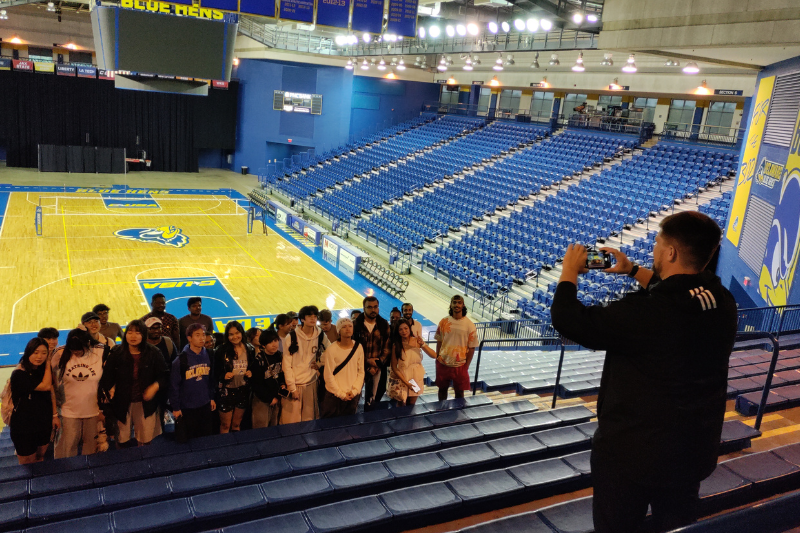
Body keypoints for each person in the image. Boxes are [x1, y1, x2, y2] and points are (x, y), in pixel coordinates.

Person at [550, 211, 737, 533]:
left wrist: (569, 271)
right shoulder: (721, 300)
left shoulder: (646, 314)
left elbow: (567, 319)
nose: (653, 250)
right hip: (691, 452)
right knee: (677, 525)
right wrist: (634, 271)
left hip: (632, 455)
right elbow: (678, 296)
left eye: (657, 243)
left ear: (671, 252)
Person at [99, 320, 167, 446]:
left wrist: (155, 386)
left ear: (144, 335)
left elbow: (164, 375)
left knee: (145, 440)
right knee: (122, 441)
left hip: (145, 404)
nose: (133, 336)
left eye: (137, 332)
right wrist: (110, 388)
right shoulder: (116, 353)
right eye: (129, 332)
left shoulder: (154, 353)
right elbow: (106, 378)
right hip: (122, 404)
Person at [50, 328, 105, 458]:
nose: (76, 353)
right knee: (67, 448)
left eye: (79, 350)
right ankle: (66, 475)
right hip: (68, 411)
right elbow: (50, 380)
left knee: (91, 448)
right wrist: (55, 411)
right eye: (73, 350)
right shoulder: (60, 353)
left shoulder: (100, 351)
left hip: (92, 410)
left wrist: (103, 408)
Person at [8, 338, 57, 464]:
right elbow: (45, 386)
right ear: (28, 352)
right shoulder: (19, 374)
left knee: (40, 457)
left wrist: (55, 415)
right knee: (27, 463)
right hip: (24, 426)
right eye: (35, 352)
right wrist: (48, 362)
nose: (39, 357)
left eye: (44, 353)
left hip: (43, 422)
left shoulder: (41, 370)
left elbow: (50, 391)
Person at [281, 305, 330, 424]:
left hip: (311, 383)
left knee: (309, 421)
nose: (313, 319)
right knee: (291, 422)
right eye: (309, 316)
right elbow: (286, 365)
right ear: (302, 319)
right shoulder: (291, 337)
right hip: (295, 384)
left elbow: (330, 350)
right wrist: (292, 388)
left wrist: (319, 363)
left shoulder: (320, 335)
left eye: (314, 316)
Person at [170, 324, 216, 442]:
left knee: (206, 439)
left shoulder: (210, 355)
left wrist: (211, 397)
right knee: (189, 442)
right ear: (189, 338)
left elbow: (211, 379)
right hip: (187, 408)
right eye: (197, 335)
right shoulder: (180, 360)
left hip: (205, 405)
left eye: (203, 335)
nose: (202, 338)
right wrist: (176, 408)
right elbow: (174, 386)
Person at [434, 295, 478, 401]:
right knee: (442, 390)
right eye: (454, 302)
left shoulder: (469, 325)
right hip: (443, 362)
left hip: (460, 364)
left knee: (459, 392)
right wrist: (438, 357)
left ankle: (458, 415)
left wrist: (466, 365)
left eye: (459, 302)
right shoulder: (443, 321)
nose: (456, 305)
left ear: (463, 305)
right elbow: (439, 341)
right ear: (450, 304)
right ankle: (441, 411)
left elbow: (472, 348)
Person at [214, 321, 254, 433]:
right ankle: (225, 448)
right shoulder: (221, 350)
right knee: (225, 425)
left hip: (243, 390)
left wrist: (251, 372)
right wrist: (223, 375)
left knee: (236, 424)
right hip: (226, 391)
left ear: (242, 332)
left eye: (237, 333)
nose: (235, 337)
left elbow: (253, 367)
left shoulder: (250, 348)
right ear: (227, 336)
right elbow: (214, 372)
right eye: (231, 334)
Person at [320, 317, 364, 418]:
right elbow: (328, 375)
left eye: (350, 326)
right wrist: (341, 394)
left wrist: (354, 391)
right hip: (334, 396)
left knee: (349, 427)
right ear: (339, 331)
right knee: (330, 427)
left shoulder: (359, 347)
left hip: (352, 395)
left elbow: (361, 372)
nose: (348, 329)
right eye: (344, 327)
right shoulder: (332, 349)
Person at [387, 318, 436, 406]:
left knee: (412, 403)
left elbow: (434, 355)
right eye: (400, 329)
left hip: (416, 376)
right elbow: (394, 367)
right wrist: (406, 382)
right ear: (397, 331)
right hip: (403, 377)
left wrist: (423, 345)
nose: (404, 331)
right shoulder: (396, 345)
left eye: (406, 328)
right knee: (401, 403)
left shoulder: (418, 341)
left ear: (410, 328)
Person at [353, 297, 390, 410]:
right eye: (369, 307)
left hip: (376, 368)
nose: (373, 310)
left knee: (372, 399)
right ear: (364, 308)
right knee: (354, 395)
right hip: (357, 367)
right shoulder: (355, 325)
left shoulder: (384, 325)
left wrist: (377, 364)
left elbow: (386, 348)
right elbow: (351, 349)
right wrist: (367, 361)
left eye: (375, 307)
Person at [249, 329, 285, 428]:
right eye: (270, 342)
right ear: (263, 345)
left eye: (276, 341)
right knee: (261, 427)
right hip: (262, 401)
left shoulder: (279, 355)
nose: (274, 344)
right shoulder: (258, 361)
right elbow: (256, 384)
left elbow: (282, 374)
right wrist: (269, 398)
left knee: (274, 425)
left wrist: (282, 384)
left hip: (276, 397)